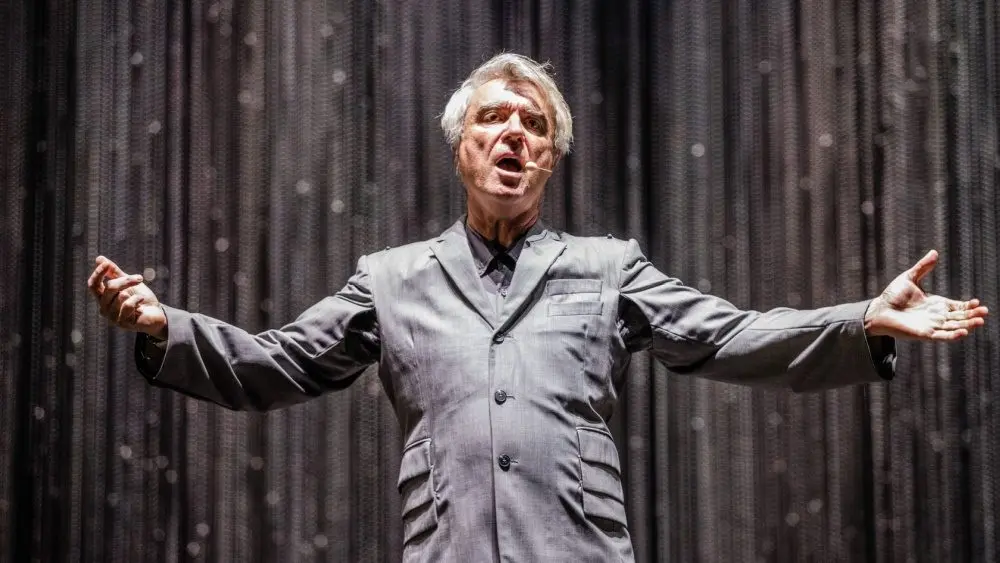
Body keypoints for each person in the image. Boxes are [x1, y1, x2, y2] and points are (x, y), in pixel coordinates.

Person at [87, 53, 988, 562]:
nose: (513, 133)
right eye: (493, 119)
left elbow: (730, 334)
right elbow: (279, 362)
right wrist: (168, 328)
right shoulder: (391, 277)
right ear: (462, 147)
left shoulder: (607, 268)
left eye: (533, 126)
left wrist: (862, 316)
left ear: (551, 158)